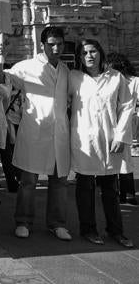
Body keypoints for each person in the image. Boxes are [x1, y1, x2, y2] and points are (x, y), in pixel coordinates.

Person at [0, 26, 71, 241]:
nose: (56, 48)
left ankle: (57, 223)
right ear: (43, 44)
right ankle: (23, 221)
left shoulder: (65, 70)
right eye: (51, 44)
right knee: (28, 181)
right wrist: (0, 60)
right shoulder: (27, 66)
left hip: (60, 133)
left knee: (59, 180)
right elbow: (2, 83)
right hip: (35, 131)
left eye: (60, 44)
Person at [69, 40, 134, 248]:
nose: (89, 56)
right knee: (85, 187)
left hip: (109, 139)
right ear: (79, 57)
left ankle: (116, 230)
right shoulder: (74, 78)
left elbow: (126, 106)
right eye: (84, 52)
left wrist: (121, 136)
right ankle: (88, 228)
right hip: (84, 141)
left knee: (110, 188)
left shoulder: (115, 78)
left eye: (93, 51)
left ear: (100, 53)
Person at [106, 52, 139, 205]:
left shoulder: (134, 81)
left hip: (127, 121)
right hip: (111, 122)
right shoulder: (110, 80)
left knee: (124, 157)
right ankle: (118, 191)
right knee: (112, 157)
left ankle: (127, 193)